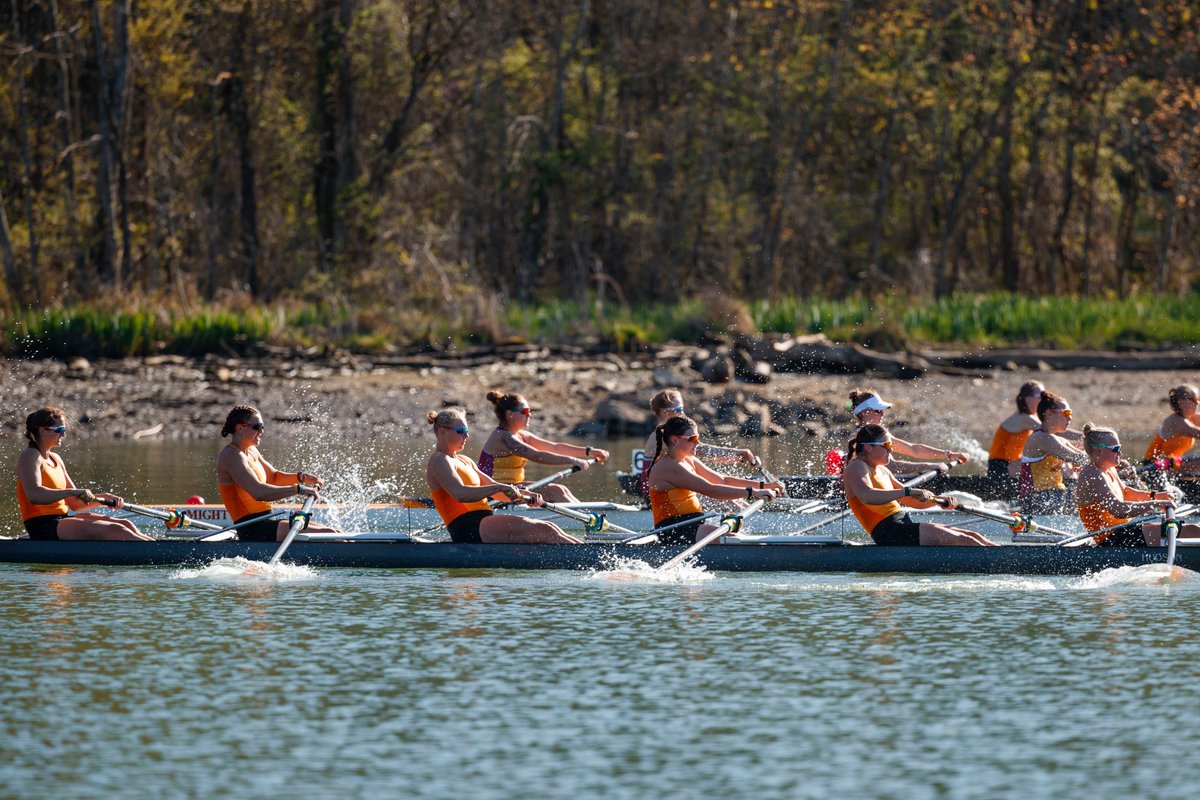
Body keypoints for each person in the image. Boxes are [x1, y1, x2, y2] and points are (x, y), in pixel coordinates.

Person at [426, 408, 581, 544]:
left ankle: (589, 553)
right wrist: (499, 486)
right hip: (468, 528)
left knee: (551, 528)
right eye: (461, 431)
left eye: (467, 431)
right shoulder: (439, 460)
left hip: (484, 523)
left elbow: (498, 493)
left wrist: (525, 495)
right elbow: (460, 494)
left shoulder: (465, 460)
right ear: (442, 431)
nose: (466, 436)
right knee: (545, 530)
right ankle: (592, 560)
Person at [842, 425, 996, 546]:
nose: (891, 449)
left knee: (973, 536)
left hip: (902, 525)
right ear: (868, 447)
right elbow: (867, 496)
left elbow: (910, 500)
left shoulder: (883, 470)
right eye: (887, 444)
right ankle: (1001, 562)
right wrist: (907, 491)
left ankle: (1001, 554)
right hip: (889, 533)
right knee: (964, 540)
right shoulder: (857, 466)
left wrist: (938, 501)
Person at [16, 406, 153, 541]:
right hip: (42, 526)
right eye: (59, 430)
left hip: (61, 521)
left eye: (64, 429)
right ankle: (156, 556)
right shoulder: (30, 456)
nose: (63, 435)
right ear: (42, 431)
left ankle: (157, 549)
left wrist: (105, 499)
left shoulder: (56, 459)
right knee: (118, 530)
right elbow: (34, 495)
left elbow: (76, 504)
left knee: (125, 524)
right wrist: (71, 492)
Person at [646, 415, 782, 545]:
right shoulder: (669, 467)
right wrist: (753, 493)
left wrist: (764, 485)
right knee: (737, 540)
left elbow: (722, 480)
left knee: (739, 538)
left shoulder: (688, 459)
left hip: (691, 525)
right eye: (692, 439)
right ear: (675, 440)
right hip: (673, 530)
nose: (698, 443)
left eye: (698, 437)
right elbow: (710, 489)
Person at [216, 405, 336, 542]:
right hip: (252, 529)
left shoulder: (252, 451)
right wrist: (298, 489)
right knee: (330, 533)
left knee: (335, 532)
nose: (262, 431)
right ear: (240, 428)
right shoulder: (231, 456)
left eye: (263, 426)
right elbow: (259, 493)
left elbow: (273, 477)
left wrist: (300, 478)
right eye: (257, 426)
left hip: (266, 522)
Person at [479, 390, 608, 503]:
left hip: (512, 487)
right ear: (510, 414)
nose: (529, 414)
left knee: (560, 489)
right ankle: (588, 521)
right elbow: (537, 456)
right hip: (493, 493)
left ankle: (589, 516)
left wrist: (588, 451)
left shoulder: (522, 436)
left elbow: (555, 447)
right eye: (525, 411)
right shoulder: (502, 437)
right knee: (555, 491)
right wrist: (572, 460)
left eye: (530, 411)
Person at [1076, 424, 1195, 547]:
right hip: (1111, 540)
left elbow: (1126, 492)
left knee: (1192, 529)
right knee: (1189, 531)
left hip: (1123, 531)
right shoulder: (1092, 474)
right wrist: (1156, 504)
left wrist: (1156, 496)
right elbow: (1119, 510)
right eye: (1115, 449)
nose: (1120, 453)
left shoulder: (1108, 468)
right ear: (1099, 450)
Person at [639, 389, 762, 496]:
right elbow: (704, 452)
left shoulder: (677, 438)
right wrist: (739, 453)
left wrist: (741, 458)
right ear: (663, 412)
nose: (682, 413)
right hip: (657, 496)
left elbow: (709, 455)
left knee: (724, 492)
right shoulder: (661, 436)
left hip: (674, 486)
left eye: (682, 408)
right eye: (678, 409)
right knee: (718, 495)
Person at [1018, 391, 1089, 514]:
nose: (1070, 417)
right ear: (1049, 414)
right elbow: (1077, 458)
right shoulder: (1041, 438)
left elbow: (1085, 457)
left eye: (1070, 413)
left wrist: (1115, 464)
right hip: (1036, 500)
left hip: (1054, 496)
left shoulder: (1057, 439)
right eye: (1066, 413)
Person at [1141, 385, 1200, 490]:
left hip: (1172, 465)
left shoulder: (1192, 418)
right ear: (1181, 402)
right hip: (1154, 468)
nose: (1197, 403)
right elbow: (1197, 433)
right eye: (1194, 399)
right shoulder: (1174, 421)